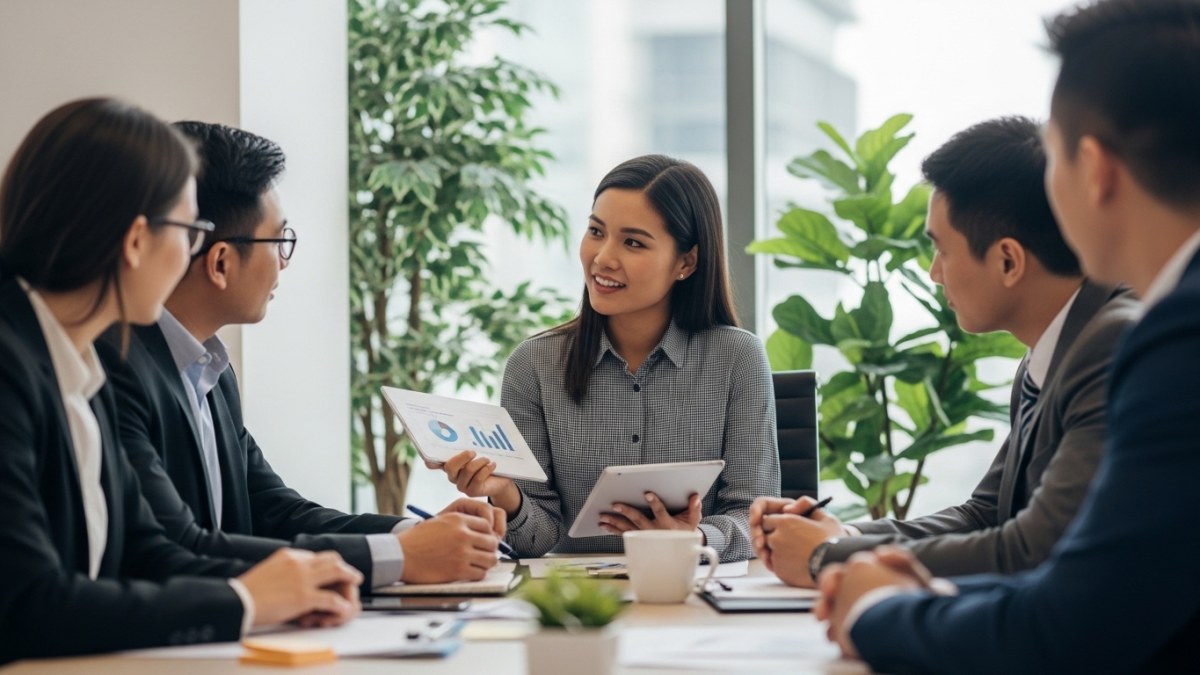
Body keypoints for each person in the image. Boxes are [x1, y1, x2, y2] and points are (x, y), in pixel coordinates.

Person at [815, 1, 1200, 671]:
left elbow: (1067, 624)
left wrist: (876, 604)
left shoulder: (1172, 341)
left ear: (1096, 168)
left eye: (1051, 155)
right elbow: (995, 516)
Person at [0, 98, 363, 664]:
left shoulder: (78, 365)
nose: (195, 252)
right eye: (189, 231)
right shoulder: (14, 366)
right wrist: (244, 600)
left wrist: (297, 584)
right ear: (138, 240)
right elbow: (27, 606)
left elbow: (149, 552)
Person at [96, 121, 504, 589]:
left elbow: (273, 510)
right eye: (280, 240)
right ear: (222, 262)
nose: (285, 261)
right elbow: (178, 546)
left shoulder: (210, 368)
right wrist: (399, 555)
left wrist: (415, 533)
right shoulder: (117, 365)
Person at [750, 116, 1139, 586]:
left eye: (942, 250)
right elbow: (986, 514)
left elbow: (1030, 549)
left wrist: (829, 558)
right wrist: (843, 533)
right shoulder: (1054, 348)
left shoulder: (1112, 345)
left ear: (1008, 261)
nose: (935, 272)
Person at [430, 154, 780, 562]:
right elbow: (537, 538)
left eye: (633, 242)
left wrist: (695, 538)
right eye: (596, 231)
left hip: (692, 587)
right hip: (572, 603)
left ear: (685, 262)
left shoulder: (738, 358)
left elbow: (754, 515)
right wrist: (504, 493)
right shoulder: (534, 364)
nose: (602, 258)